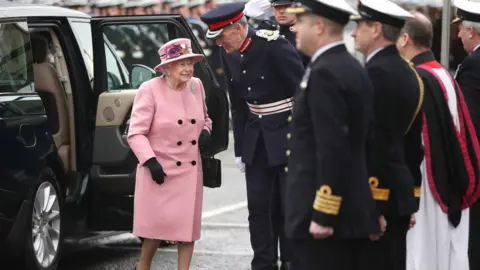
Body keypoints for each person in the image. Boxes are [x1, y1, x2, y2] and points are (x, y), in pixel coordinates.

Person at [201, 3, 304, 270]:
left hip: (286, 133)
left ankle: (292, 261)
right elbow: (237, 102)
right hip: (256, 137)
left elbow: (302, 93)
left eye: (222, 37)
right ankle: (263, 263)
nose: (220, 45)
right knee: (259, 207)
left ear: (237, 29)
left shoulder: (274, 45)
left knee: (287, 205)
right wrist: (239, 150)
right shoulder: (229, 52)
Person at [284, 0, 381, 269]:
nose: (294, 29)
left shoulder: (326, 71)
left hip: (326, 215)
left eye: (300, 21)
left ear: (318, 26)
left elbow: (333, 145)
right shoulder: (350, 66)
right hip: (348, 208)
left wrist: (324, 212)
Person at [397, 11, 480, 270]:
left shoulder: (420, 78)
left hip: (428, 180)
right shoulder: (440, 73)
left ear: (405, 40)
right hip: (446, 175)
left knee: (424, 251)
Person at [127, 38, 212, 270]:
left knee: (187, 232)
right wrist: (150, 161)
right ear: (166, 67)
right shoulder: (149, 90)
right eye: (181, 63)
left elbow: (206, 118)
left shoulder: (196, 86)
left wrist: (205, 131)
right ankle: (143, 267)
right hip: (159, 170)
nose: (188, 69)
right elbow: (135, 133)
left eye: (190, 63)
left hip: (189, 170)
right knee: (154, 231)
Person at [350, 0, 423, 269]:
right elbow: (412, 147)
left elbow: (376, 144)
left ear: (377, 28)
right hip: (398, 195)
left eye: (359, 25)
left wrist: (373, 208)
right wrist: (409, 198)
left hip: (379, 197)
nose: (354, 33)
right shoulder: (409, 72)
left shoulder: (376, 75)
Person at [452, 1, 480, 269]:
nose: (458, 34)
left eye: (460, 28)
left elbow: (468, 121)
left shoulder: (473, 65)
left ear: (472, 31)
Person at [269, 0, 309, 66]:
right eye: (277, 7)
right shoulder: (267, 30)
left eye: (287, 7)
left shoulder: (306, 33)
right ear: (273, 9)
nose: (281, 11)